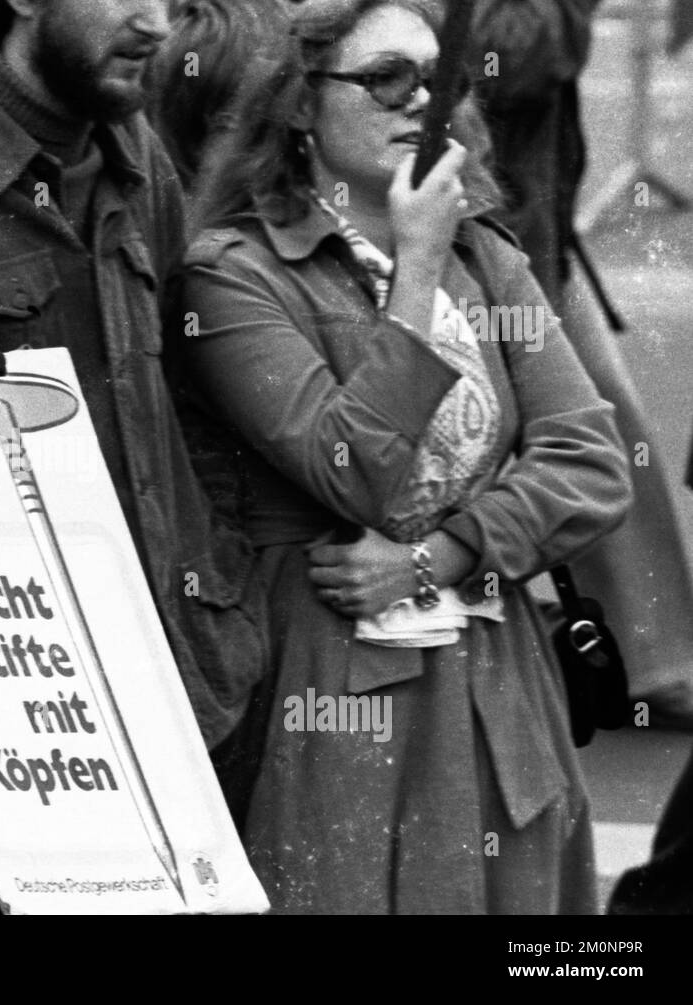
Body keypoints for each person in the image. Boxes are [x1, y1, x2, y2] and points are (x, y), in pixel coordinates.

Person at [157, 0, 632, 912]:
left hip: (499, 681)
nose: (422, 101)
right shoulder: (231, 273)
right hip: (336, 691)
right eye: (385, 79)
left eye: (436, 80)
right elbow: (352, 467)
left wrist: (439, 556)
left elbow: (592, 460)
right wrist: (414, 270)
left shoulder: (489, 260)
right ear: (300, 104)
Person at [0, 0, 267, 757]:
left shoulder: (135, 152)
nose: (159, 27)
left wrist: (223, 570)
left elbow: (186, 397)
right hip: (22, 706)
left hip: (185, 674)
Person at [472, 0, 693, 726]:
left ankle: (656, 654)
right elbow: (512, 60)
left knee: (603, 424)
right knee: (579, 429)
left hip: (527, 231)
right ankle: (654, 657)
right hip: (481, 233)